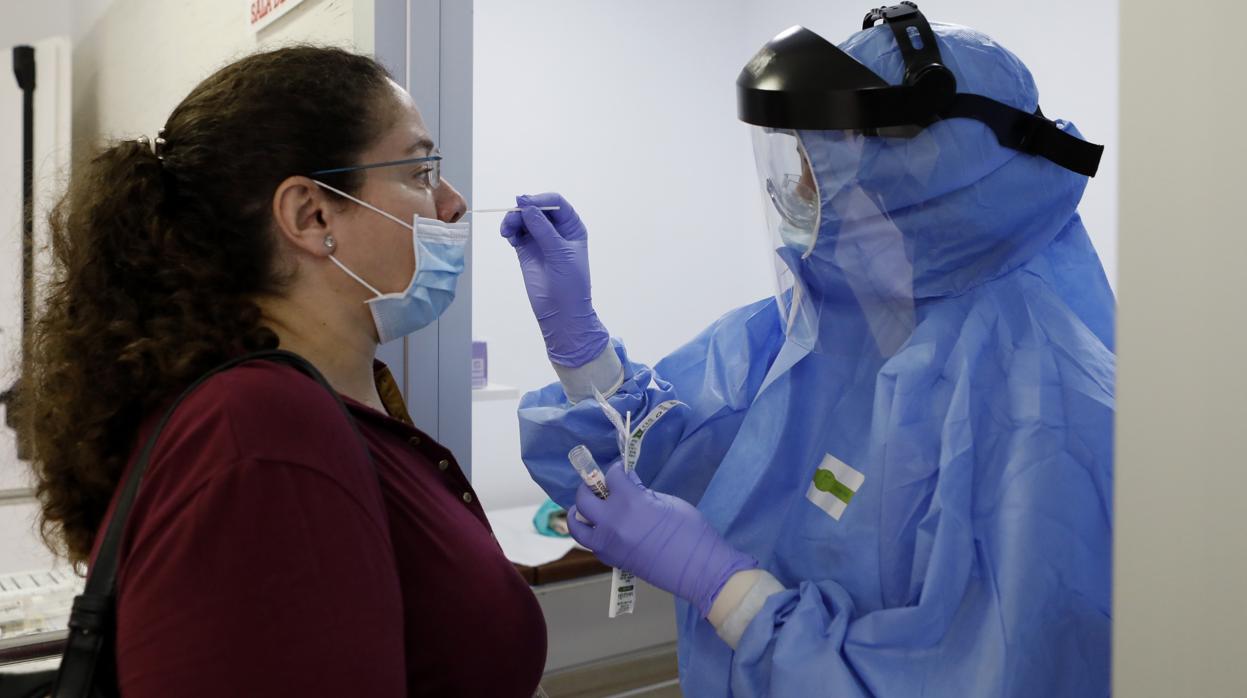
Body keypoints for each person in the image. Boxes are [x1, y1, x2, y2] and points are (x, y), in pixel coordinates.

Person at [503, 5, 1113, 697]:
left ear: (918, 173)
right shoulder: (825, 327)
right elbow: (646, 467)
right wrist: (579, 347)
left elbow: (980, 675)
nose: (792, 189)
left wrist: (727, 590)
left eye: (817, 164)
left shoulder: (1045, 413)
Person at [20, 46, 545, 696]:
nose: (453, 204)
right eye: (419, 170)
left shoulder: (310, 406)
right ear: (310, 216)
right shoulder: (260, 434)